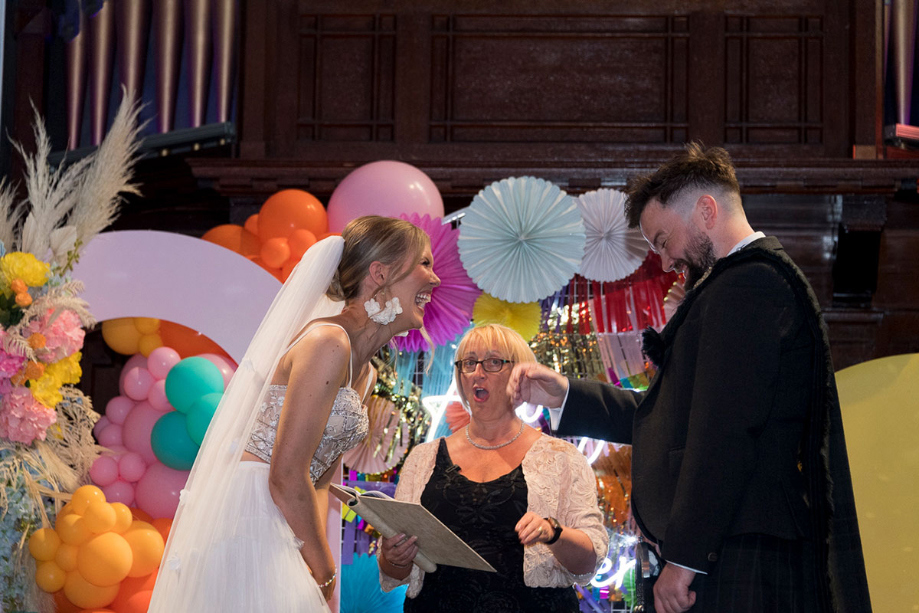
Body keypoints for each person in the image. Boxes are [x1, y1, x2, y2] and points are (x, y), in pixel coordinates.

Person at [507, 144, 871, 613]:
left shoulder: (746, 285)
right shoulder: (742, 285)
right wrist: (567, 395)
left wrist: (684, 559)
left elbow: (723, 435)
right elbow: (677, 416)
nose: (664, 262)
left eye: (662, 240)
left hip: (741, 548)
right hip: (734, 541)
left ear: (705, 210)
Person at [149, 215, 440, 613]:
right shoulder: (327, 342)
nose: (434, 279)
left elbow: (318, 481)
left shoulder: (367, 373)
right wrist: (322, 571)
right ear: (380, 273)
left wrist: (314, 567)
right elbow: (286, 474)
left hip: (291, 527)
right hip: (254, 519)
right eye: (425, 264)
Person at [378, 324, 608, 613]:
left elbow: (589, 563)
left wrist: (554, 532)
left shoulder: (561, 457)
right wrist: (394, 557)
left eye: (494, 362)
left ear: (520, 375)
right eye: (469, 363)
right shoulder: (423, 459)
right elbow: (396, 573)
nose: (477, 372)